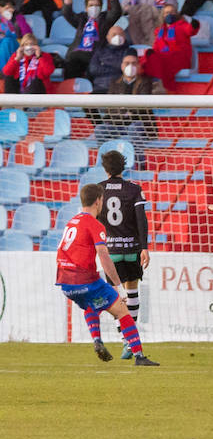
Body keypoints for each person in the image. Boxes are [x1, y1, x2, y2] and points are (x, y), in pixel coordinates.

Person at [55, 183, 158, 366]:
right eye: (102, 199)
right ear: (98, 201)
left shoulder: (72, 222)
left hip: (65, 281)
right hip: (83, 279)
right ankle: (139, 356)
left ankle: (97, 340)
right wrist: (118, 287)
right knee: (122, 310)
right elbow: (104, 256)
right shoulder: (95, 225)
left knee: (91, 304)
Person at [89, 149, 149, 360]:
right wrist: (144, 247)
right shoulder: (133, 189)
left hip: (110, 251)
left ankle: (126, 340)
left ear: (105, 169)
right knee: (132, 292)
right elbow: (141, 220)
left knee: (116, 296)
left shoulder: (98, 190)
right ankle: (130, 345)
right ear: (123, 166)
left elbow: (93, 220)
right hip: (132, 249)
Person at [61, 0, 119, 80]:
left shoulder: (105, 19)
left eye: (97, 5)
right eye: (91, 5)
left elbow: (117, 11)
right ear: (86, 8)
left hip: (95, 55)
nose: (94, 8)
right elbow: (66, 12)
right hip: (77, 55)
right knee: (70, 67)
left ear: (101, 8)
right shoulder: (81, 19)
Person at [141, 5, 195, 89]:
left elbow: (191, 30)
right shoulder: (159, 31)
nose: (169, 14)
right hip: (164, 57)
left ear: (176, 14)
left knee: (157, 60)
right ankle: (150, 84)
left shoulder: (183, 25)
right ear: (163, 15)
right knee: (149, 55)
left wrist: (194, 24)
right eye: (166, 12)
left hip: (179, 58)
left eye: (172, 12)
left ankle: (160, 85)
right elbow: (156, 47)